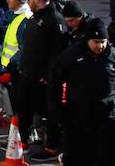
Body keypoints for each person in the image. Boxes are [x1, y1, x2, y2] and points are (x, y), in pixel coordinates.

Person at [48, 17, 115, 166]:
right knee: (77, 157)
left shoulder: (112, 56)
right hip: (78, 117)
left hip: (106, 117)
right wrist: (57, 110)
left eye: (103, 41)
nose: (100, 46)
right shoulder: (72, 56)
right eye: (96, 42)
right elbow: (55, 82)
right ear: (88, 40)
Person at [18, 0, 66, 163]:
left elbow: (57, 53)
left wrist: (48, 75)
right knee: (25, 109)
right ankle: (24, 142)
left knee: (52, 113)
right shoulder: (34, 18)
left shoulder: (54, 20)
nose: (28, 2)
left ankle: (51, 147)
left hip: (44, 79)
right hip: (28, 74)